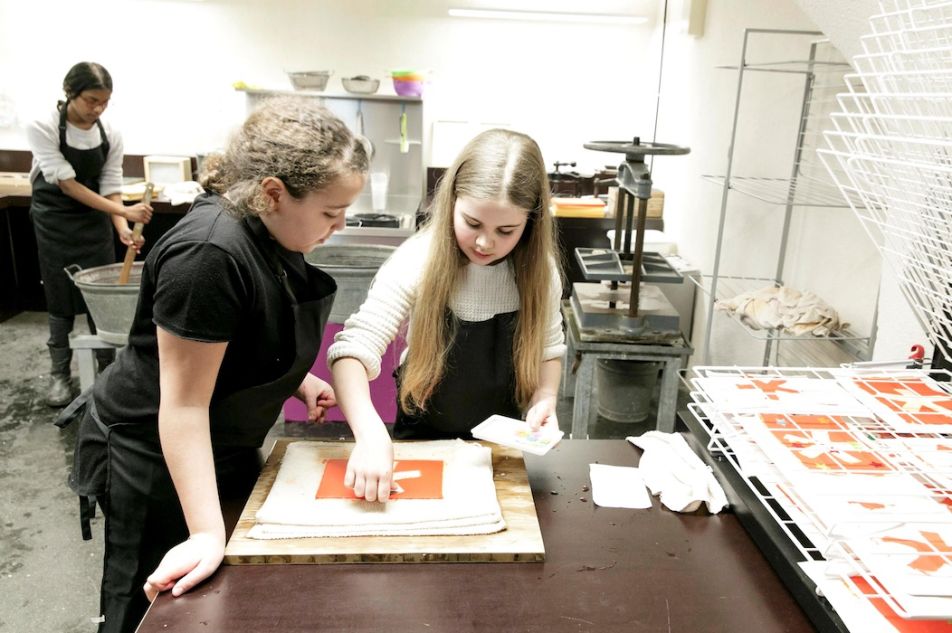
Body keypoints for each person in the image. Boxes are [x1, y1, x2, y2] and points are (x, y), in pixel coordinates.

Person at [60, 97, 370, 633]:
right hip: (153, 452)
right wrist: (205, 533)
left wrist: (299, 379)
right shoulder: (207, 257)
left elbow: (242, 332)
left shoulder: (269, 230)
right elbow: (181, 406)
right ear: (273, 192)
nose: (339, 225)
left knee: (229, 599)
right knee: (156, 604)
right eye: (329, 212)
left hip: (219, 441)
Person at [329, 128, 566, 503]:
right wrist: (371, 435)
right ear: (452, 201)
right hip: (420, 445)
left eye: (506, 230)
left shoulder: (539, 273)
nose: (485, 242)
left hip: (498, 454)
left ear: (531, 222)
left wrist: (544, 396)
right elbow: (350, 353)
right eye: (472, 223)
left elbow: (549, 350)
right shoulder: (417, 259)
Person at [26, 61, 153, 407]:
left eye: (104, 102)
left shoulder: (109, 132)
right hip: (55, 220)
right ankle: (59, 375)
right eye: (91, 100)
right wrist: (123, 211)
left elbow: (111, 183)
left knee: (103, 296)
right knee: (59, 294)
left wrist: (123, 228)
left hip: (95, 220)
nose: (97, 109)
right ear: (70, 93)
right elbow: (66, 184)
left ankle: (108, 374)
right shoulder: (44, 126)